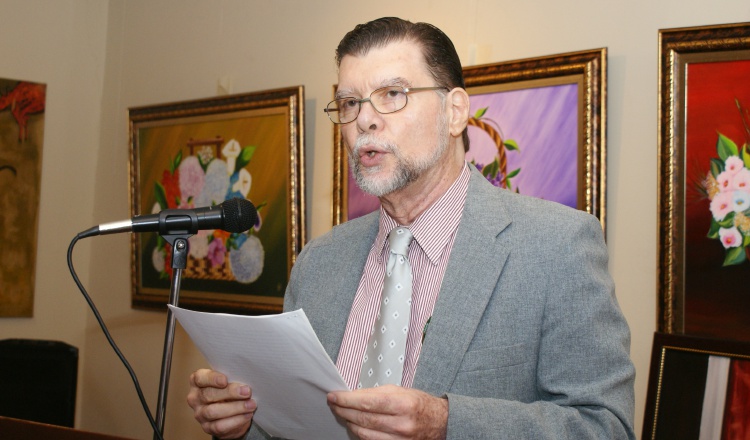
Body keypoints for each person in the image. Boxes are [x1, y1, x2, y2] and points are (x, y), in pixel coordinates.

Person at [187, 17, 635, 440]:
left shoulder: (557, 246)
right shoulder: (318, 263)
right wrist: (242, 423)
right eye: (349, 103)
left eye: (392, 94)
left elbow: (604, 427)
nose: (364, 120)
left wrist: (446, 423)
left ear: (455, 111)